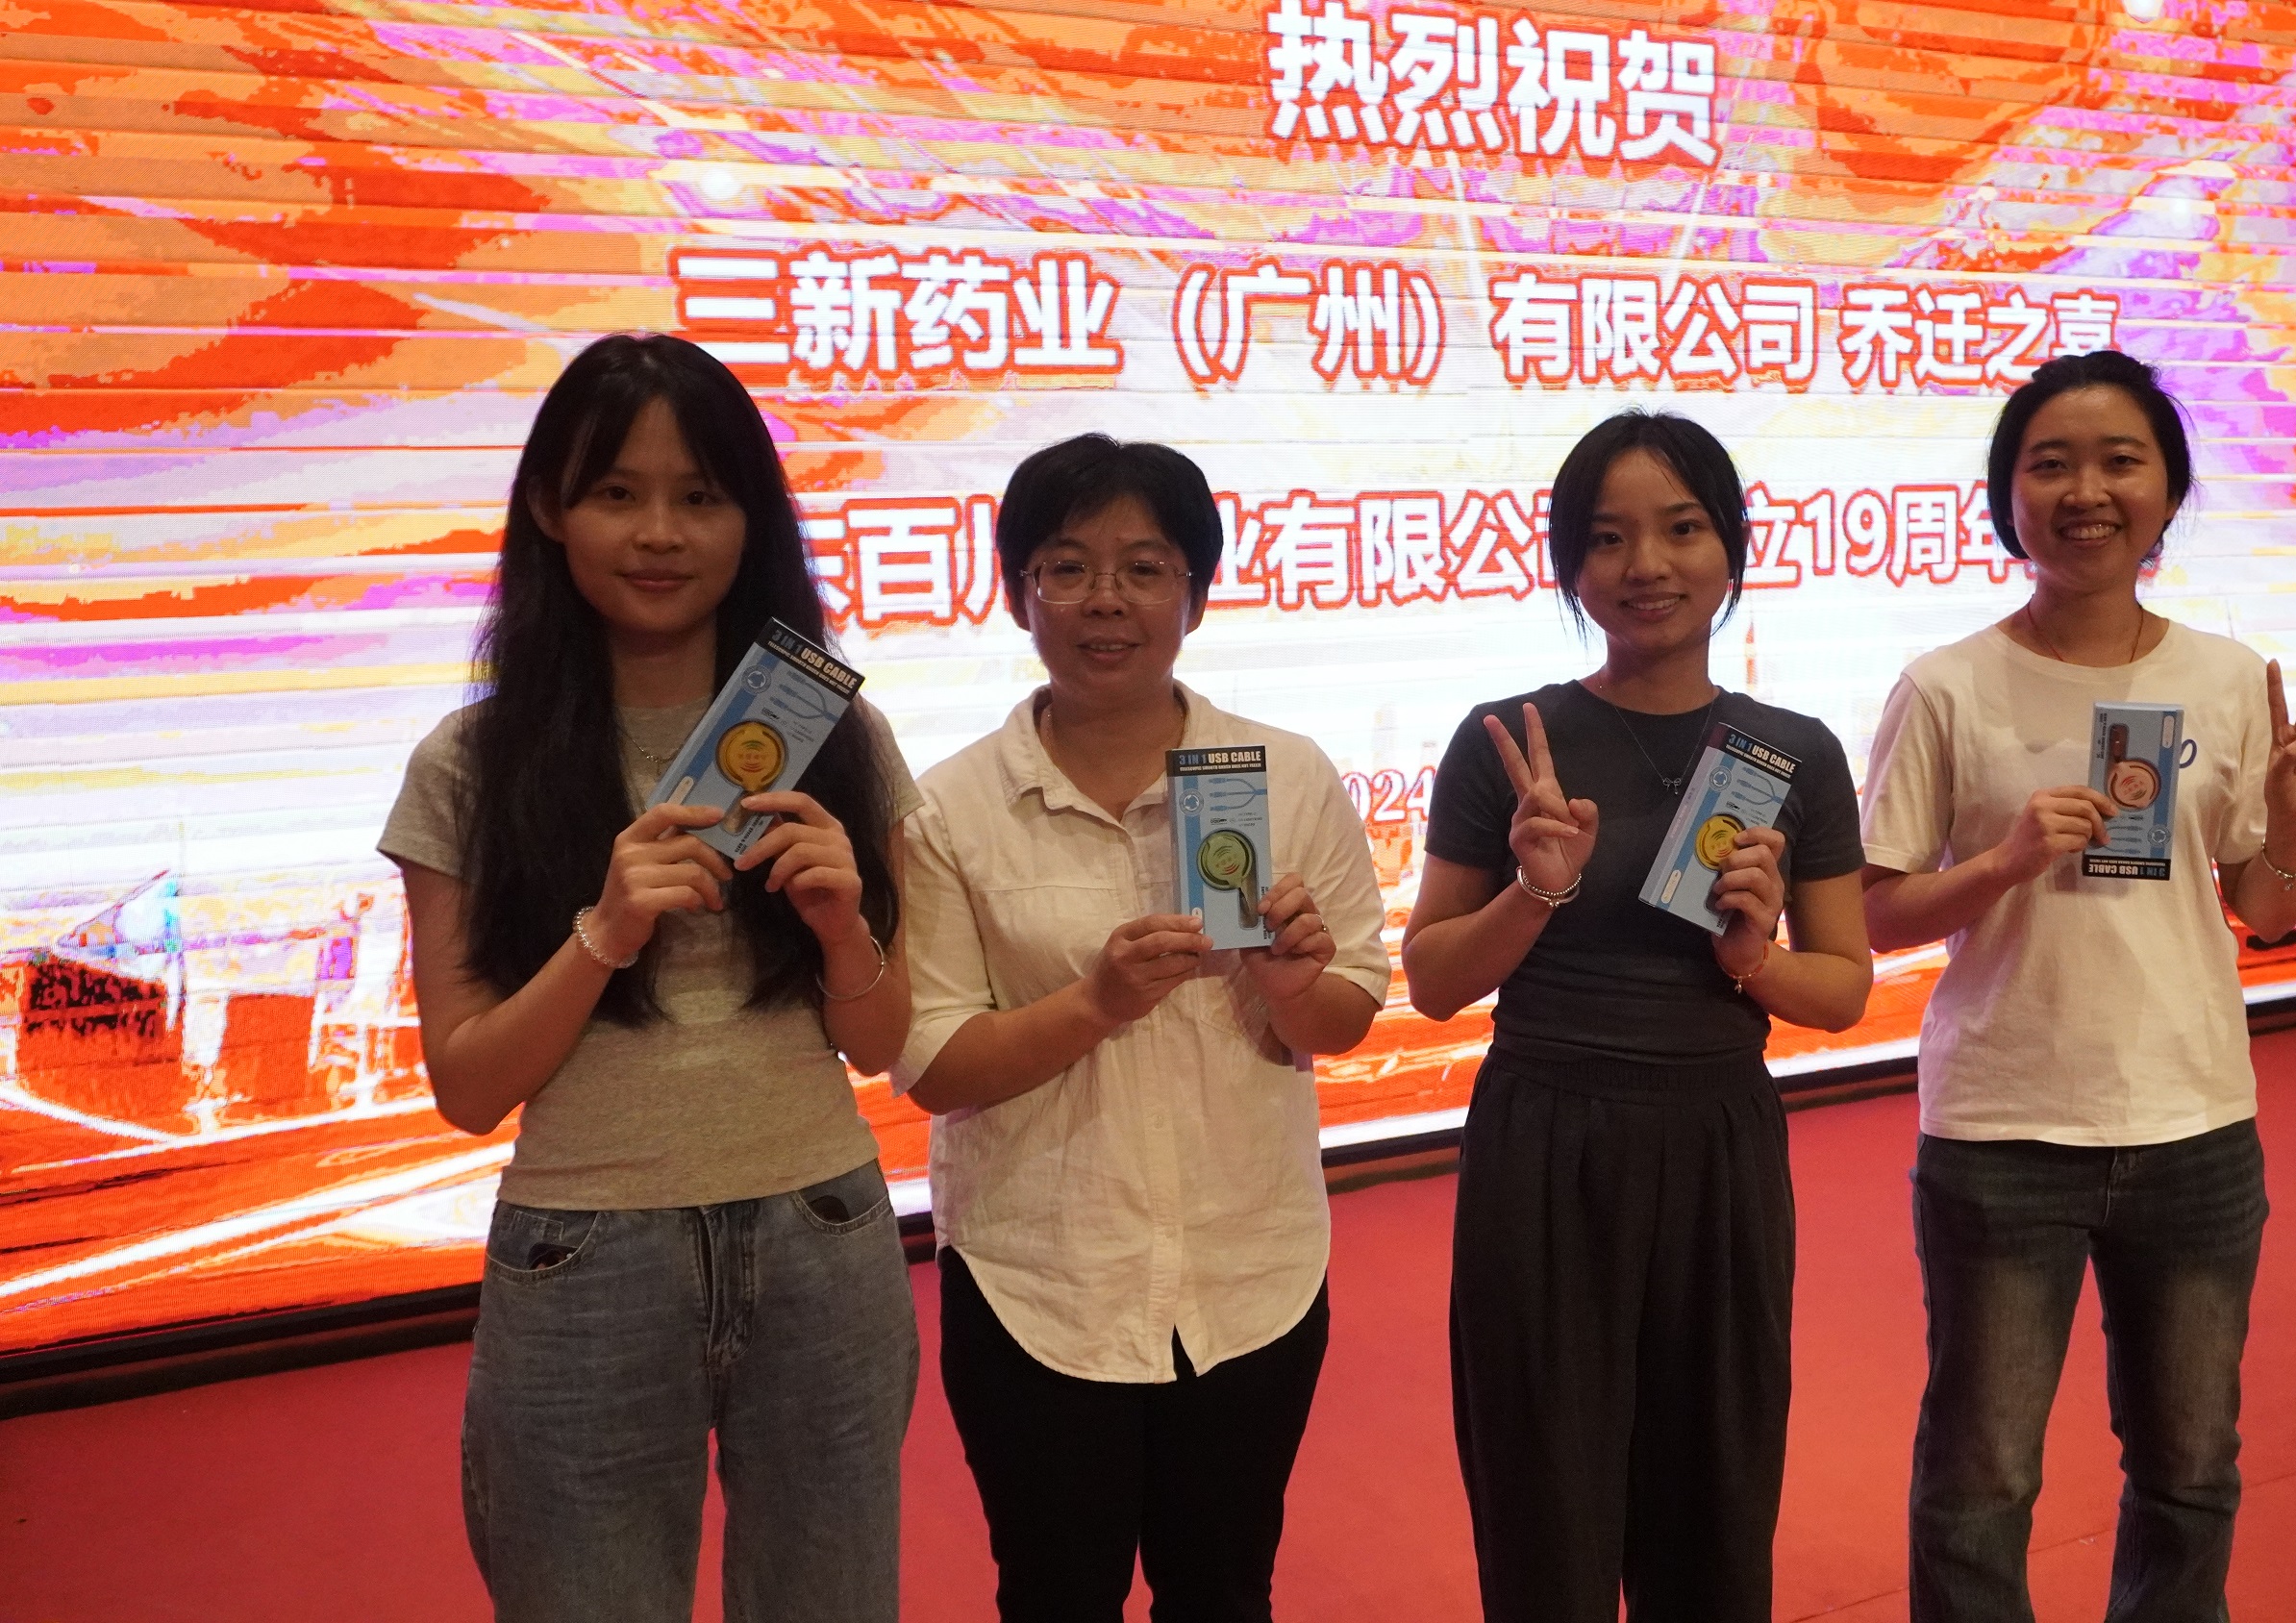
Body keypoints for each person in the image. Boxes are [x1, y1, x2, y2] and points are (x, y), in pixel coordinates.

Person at [381, 333, 921, 1623]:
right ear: (548, 509)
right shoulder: (470, 764)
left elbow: (884, 1040)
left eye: (701, 495)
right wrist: (605, 931)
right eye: (618, 492)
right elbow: (468, 1086)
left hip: (824, 1231)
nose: (661, 533)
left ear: (753, 519)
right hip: (585, 1254)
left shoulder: (842, 736)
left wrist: (845, 929)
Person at [1859, 350, 2296, 1623]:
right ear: (2007, 495)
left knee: (2190, 1468)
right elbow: (1870, 910)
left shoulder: (2228, 680)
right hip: (2003, 1128)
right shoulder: (1947, 686)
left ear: (2168, 492)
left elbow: (2267, 909)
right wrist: (2004, 862)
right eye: (2051, 464)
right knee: (1980, 1481)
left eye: (2120, 462)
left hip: (2193, 1122)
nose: (2087, 491)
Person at [890, 434, 1390, 1622]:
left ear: (1195, 594)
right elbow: (934, 1063)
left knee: (1224, 1588)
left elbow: (1350, 1011)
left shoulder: (1284, 775)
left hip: (1248, 1270)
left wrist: (1289, 981)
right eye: (1067, 567)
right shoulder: (948, 807)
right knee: (1055, 1592)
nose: (1105, 599)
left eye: (1145, 567)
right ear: (1018, 593)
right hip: (1039, 1282)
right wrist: (1095, 1003)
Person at [1402, 410, 1875, 1622]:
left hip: (1717, 1142)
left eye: (1681, 528)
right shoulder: (1511, 741)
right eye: (1607, 537)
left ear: (1731, 548)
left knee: (1713, 1499)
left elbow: (1842, 987)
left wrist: (1752, 959)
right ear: (1570, 562)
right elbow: (1435, 978)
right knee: (1544, 1505)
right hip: (1543, 1140)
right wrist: (1535, 889)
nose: (1645, 564)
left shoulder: (1795, 751)